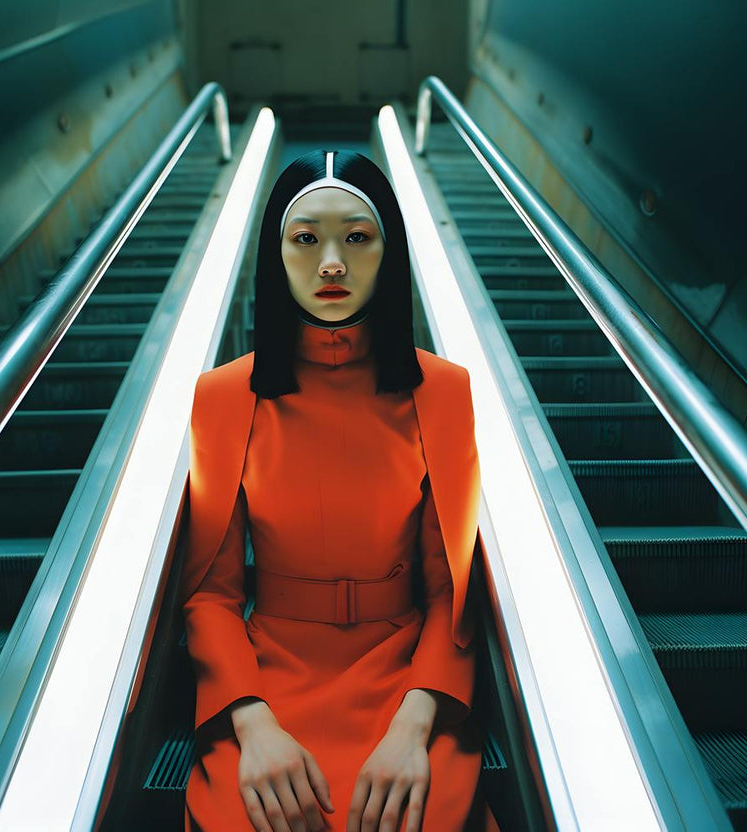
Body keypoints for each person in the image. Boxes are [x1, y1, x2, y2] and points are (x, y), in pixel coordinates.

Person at [180, 149, 496, 831]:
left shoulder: (443, 392)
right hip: (267, 683)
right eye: (306, 239)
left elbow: (452, 592)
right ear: (276, 252)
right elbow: (211, 591)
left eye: (356, 237)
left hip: (406, 679)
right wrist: (251, 722)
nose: (331, 262)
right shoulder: (223, 397)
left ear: (390, 252)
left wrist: (414, 726)